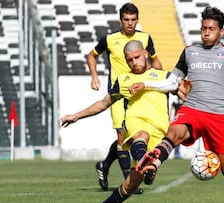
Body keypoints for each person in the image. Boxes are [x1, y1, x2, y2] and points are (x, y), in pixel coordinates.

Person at [129, 6, 224, 203]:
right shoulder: (190, 51)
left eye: (211, 29)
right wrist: (146, 84)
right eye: (203, 28)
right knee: (174, 133)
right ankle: (154, 163)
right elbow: (173, 81)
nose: (206, 33)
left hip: (219, 116)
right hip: (193, 108)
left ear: (221, 32)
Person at [63, 40, 180, 202]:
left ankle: (142, 167)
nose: (134, 62)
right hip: (135, 124)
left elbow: (183, 94)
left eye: (137, 57)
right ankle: (143, 161)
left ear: (145, 54)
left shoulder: (164, 77)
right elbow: (104, 103)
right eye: (129, 60)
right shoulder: (123, 79)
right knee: (141, 134)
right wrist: (76, 115)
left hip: (160, 132)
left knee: (130, 185)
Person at [86, 2, 162, 193]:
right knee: (122, 136)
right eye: (126, 20)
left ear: (137, 20)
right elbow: (91, 56)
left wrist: (160, 75)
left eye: (133, 19)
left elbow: (155, 60)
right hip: (119, 94)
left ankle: (104, 165)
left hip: (139, 94)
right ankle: (130, 182)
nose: (130, 23)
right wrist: (94, 76)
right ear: (121, 20)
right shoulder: (110, 39)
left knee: (131, 137)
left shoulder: (144, 38)